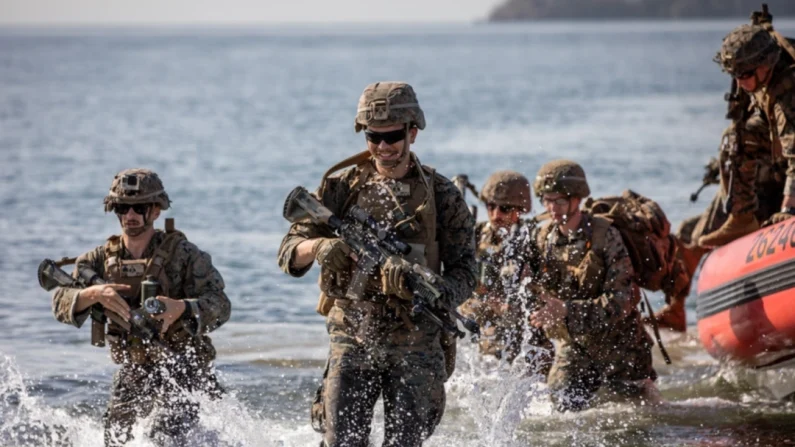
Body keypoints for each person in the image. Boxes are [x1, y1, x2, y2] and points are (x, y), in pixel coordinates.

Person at [277, 82, 476, 447]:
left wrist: (434, 289)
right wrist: (321, 247)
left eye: (392, 137)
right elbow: (289, 252)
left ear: (412, 132)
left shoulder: (442, 196)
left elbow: (466, 271)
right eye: (374, 136)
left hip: (417, 340)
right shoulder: (340, 188)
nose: (383, 147)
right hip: (353, 334)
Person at [51, 169, 231, 446]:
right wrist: (93, 294)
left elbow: (221, 305)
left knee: (163, 437)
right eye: (122, 208)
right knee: (114, 439)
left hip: (183, 366)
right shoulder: (98, 260)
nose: (130, 215)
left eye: (139, 208)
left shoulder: (184, 255)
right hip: (134, 368)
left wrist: (181, 308)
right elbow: (60, 301)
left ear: (156, 211)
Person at [523, 160, 657, 412]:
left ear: (578, 199)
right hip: (576, 347)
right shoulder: (543, 238)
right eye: (546, 200)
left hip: (622, 348)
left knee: (637, 420)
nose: (552, 208)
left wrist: (566, 311)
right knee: (560, 412)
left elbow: (622, 302)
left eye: (560, 201)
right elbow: (538, 292)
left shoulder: (605, 236)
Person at [654, 115, 785, 331]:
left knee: (695, 233)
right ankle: (676, 309)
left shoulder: (780, 111)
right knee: (687, 230)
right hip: (757, 196)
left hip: (774, 203)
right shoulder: (759, 112)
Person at [458, 170, 553, 374]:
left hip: (528, 345)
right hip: (488, 342)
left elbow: (546, 297)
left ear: (521, 209)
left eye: (504, 208)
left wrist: (509, 305)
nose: (496, 215)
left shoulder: (534, 242)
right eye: (491, 206)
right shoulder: (476, 234)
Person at [715, 24, 795, 227]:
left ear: (764, 65)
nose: (740, 83)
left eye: (743, 75)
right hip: (776, 147)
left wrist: (788, 209)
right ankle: (742, 217)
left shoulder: (787, 94)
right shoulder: (762, 80)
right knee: (735, 139)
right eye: (735, 76)